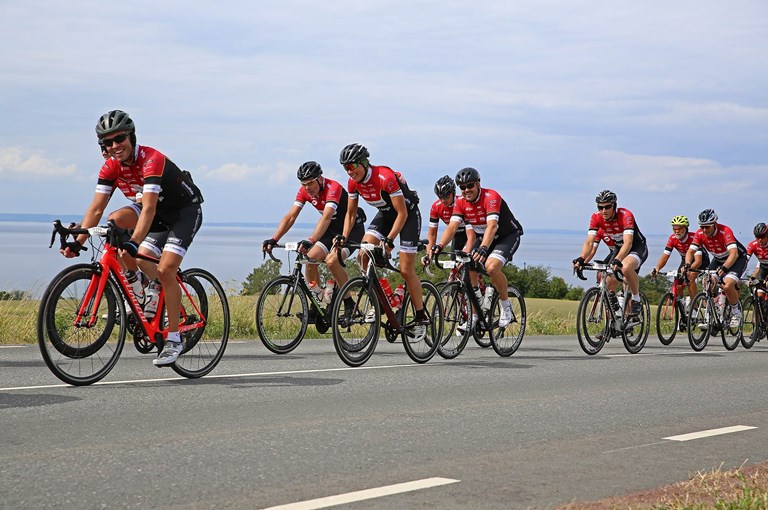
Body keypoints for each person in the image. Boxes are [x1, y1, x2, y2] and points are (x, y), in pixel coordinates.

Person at [61, 109, 204, 367]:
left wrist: (134, 242)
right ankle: (138, 290)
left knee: (166, 268)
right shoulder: (111, 167)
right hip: (156, 213)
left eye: (120, 139)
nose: (115, 146)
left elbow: (148, 209)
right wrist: (77, 242)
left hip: (182, 211)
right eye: (108, 142)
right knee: (115, 223)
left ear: (131, 136)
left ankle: (173, 339)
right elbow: (96, 209)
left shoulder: (151, 159)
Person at [335, 143, 429, 334]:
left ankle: (421, 315)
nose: (349, 172)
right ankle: (381, 297)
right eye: (345, 168)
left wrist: (390, 240)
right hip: (385, 215)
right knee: (363, 253)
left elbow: (402, 213)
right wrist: (344, 237)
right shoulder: (353, 183)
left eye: (352, 166)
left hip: (407, 216)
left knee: (405, 269)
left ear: (364, 163)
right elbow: (351, 215)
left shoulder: (384, 177)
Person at [261, 161, 365, 318]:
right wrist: (274, 238)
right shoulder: (304, 192)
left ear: (320, 178)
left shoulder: (333, 188)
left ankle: (349, 303)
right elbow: (291, 217)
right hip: (330, 231)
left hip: (350, 231)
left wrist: (311, 239)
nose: (307, 188)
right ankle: (316, 306)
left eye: (310, 183)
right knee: (309, 260)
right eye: (304, 184)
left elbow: (327, 216)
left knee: (331, 261)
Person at [431, 167, 524, 328]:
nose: (466, 190)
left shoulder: (491, 197)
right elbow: (452, 227)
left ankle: (505, 306)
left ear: (478, 184)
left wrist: (483, 248)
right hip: (484, 237)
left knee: (491, 267)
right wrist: (439, 246)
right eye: (462, 187)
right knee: (467, 267)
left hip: (506, 236)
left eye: (470, 186)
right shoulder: (460, 202)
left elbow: (493, 226)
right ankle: (475, 313)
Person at [572, 190, 647, 318]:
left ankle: (636, 300)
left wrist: (618, 260)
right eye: (600, 207)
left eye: (607, 207)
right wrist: (582, 258)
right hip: (618, 248)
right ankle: (614, 320)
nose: (604, 210)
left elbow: (628, 243)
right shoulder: (596, 217)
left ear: (614, 205)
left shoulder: (625, 215)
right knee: (607, 280)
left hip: (636, 247)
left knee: (625, 267)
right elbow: (590, 242)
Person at [684, 209, 748, 327]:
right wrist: (687, 264)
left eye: (707, 227)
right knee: (706, 281)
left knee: (727, 284)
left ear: (714, 224)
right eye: (701, 226)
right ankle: (711, 316)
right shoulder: (700, 234)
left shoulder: (725, 231)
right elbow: (690, 252)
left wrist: (724, 268)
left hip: (736, 259)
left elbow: (734, 253)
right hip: (719, 259)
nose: (704, 230)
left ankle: (736, 313)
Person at [650, 215, 708, 302]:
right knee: (678, 284)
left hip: (701, 261)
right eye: (674, 229)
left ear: (686, 228)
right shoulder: (672, 239)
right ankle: (682, 302)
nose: (677, 231)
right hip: (685, 261)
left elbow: (698, 261)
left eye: (680, 228)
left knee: (690, 277)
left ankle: (694, 308)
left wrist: (689, 270)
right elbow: (665, 257)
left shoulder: (694, 238)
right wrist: (657, 268)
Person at [423, 175, 476, 265]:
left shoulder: (463, 203)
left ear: (453, 193)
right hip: (456, 235)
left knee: (468, 265)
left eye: (446, 197)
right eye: (440, 197)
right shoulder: (436, 207)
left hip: (471, 233)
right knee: (454, 266)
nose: (443, 200)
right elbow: (432, 234)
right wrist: (429, 254)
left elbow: (471, 235)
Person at [744, 222, 768, 304]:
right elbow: (744, 260)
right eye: (757, 237)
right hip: (763, 267)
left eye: (762, 237)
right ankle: (760, 314)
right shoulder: (752, 245)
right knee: (759, 294)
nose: (760, 240)